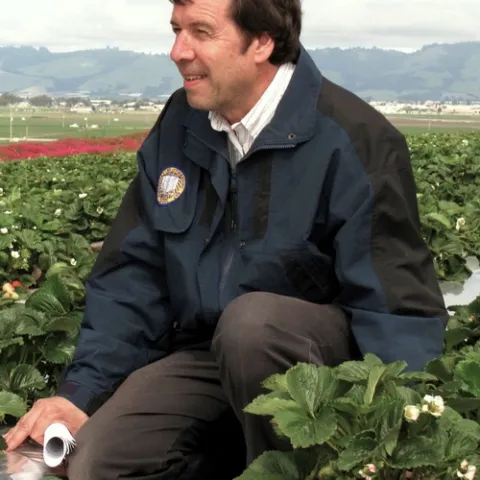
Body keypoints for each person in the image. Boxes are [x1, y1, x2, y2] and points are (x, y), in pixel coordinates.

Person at [4, 0, 449, 478]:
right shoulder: (182, 122)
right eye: (176, 29)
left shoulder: (354, 139)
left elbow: (395, 310)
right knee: (101, 459)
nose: (178, 50)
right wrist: (80, 395)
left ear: (262, 41)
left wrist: (399, 444)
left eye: (201, 31)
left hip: (319, 375)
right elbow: (134, 276)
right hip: (205, 355)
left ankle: (302, 469)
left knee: (253, 326)